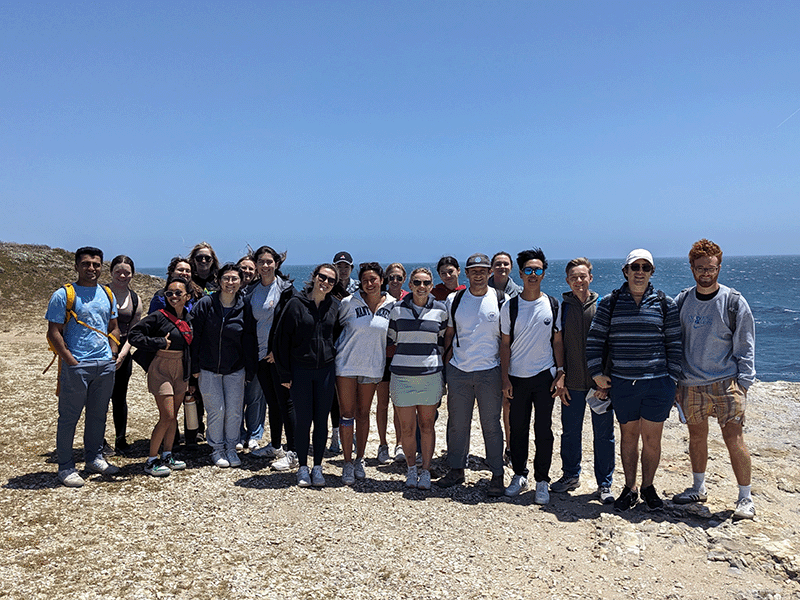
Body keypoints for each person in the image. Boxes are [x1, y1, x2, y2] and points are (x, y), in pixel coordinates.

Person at [586, 249, 682, 512]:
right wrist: (596, 374)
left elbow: (675, 344)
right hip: (623, 384)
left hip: (657, 383)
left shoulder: (665, 303)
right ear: (625, 271)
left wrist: (673, 380)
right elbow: (595, 340)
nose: (640, 272)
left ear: (652, 272)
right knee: (628, 438)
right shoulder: (610, 303)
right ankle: (630, 488)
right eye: (635, 267)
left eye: (645, 267)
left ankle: (648, 487)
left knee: (652, 440)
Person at [671, 239, 757, 520]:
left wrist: (743, 384)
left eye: (711, 268)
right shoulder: (682, 301)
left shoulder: (734, 302)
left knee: (734, 438)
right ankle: (698, 488)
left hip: (726, 382)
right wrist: (676, 381)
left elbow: (745, 344)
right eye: (700, 268)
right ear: (692, 268)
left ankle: (745, 498)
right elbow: (673, 341)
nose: (706, 273)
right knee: (696, 436)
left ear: (719, 267)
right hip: (691, 383)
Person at [46, 246, 121, 487]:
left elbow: (113, 326)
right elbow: (54, 331)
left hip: (104, 364)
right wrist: (70, 359)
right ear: (77, 266)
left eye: (96, 264)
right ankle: (66, 466)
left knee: (98, 415)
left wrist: (113, 353)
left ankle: (94, 458)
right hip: (77, 365)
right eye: (86, 264)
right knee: (69, 417)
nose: (91, 268)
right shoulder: (63, 295)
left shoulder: (107, 294)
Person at [436, 253, 507, 496]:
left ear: (490, 273)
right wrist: (446, 369)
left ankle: (497, 474)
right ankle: (456, 469)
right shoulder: (454, 299)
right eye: (473, 271)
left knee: (491, 425)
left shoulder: (502, 299)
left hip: (490, 370)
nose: (478, 275)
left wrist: (505, 375)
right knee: (457, 424)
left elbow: (506, 339)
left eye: (483, 270)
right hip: (459, 370)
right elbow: (449, 334)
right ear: (466, 273)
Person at [500, 248, 565, 504]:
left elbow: (557, 341)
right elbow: (505, 344)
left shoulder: (552, 305)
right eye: (528, 270)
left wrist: (560, 373)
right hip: (517, 377)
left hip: (544, 376)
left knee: (543, 430)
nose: (533, 274)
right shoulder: (510, 306)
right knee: (517, 429)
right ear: (520, 273)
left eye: (538, 270)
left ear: (544, 274)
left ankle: (542, 480)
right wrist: (505, 378)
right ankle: (519, 474)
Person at [550, 257, 615, 504]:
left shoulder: (603, 305)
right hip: (572, 384)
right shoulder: (561, 309)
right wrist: (561, 375)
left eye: (583, 276)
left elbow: (611, 344)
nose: (579, 281)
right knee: (570, 433)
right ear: (567, 281)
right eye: (574, 277)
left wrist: (605, 381)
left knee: (604, 435)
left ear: (590, 278)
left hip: (599, 385)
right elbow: (557, 344)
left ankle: (605, 484)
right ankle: (570, 475)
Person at [273, 264, 342, 487]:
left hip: (325, 371)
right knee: (303, 420)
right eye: (323, 277)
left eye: (331, 280)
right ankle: (302, 467)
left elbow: (338, 336)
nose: (326, 282)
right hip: (300, 370)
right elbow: (280, 340)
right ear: (314, 277)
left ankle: (318, 467)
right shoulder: (296, 304)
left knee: (321, 420)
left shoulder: (335, 306)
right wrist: (284, 373)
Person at [386, 267, 448, 490]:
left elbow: (442, 341)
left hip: (430, 377)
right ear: (410, 285)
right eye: (417, 282)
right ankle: (411, 469)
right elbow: (391, 339)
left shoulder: (441, 310)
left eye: (426, 283)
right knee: (407, 428)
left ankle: (426, 471)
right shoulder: (396, 310)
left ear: (431, 285)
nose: (422, 287)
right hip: (402, 378)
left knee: (427, 425)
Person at [190, 264, 257, 468]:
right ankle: (217, 449)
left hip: (236, 369)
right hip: (208, 368)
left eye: (235, 279)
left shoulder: (245, 306)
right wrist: (194, 367)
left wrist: (250, 369)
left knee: (234, 411)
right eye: (226, 278)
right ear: (219, 281)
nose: (230, 282)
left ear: (240, 282)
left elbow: (249, 339)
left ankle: (231, 447)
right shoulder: (205, 304)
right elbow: (194, 337)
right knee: (216, 410)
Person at [336, 262, 396, 484]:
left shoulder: (392, 304)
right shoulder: (348, 302)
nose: (369, 284)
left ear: (382, 280)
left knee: (363, 413)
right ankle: (347, 462)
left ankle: (359, 458)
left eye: (373, 279)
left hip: (372, 366)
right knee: (347, 413)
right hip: (346, 365)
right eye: (364, 280)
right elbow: (335, 327)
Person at [129, 275, 193, 477]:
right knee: (167, 416)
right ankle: (151, 460)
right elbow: (134, 335)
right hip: (161, 368)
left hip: (181, 369)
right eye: (169, 293)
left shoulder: (189, 319)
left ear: (187, 296)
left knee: (174, 417)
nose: (173, 296)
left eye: (178, 293)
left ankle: (167, 455)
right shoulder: (159, 316)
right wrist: (158, 342)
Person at [248, 246, 300, 472]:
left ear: (277, 264)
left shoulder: (286, 290)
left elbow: (293, 323)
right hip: (259, 356)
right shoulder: (251, 290)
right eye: (261, 262)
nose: (265, 265)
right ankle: (276, 446)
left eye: (269, 261)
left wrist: (277, 350)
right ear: (256, 265)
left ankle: (294, 452)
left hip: (279, 357)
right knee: (272, 402)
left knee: (287, 403)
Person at [488, 251, 522, 464]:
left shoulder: (519, 293)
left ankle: (510, 448)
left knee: (509, 405)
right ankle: (492, 451)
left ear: (511, 267)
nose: (502, 267)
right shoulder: (481, 290)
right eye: (498, 263)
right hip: (486, 355)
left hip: (511, 355)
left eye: (505, 264)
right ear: (492, 267)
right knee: (490, 408)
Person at [106, 255, 142, 454]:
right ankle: (98, 440)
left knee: (119, 397)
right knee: (99, 397)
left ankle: (120, 439)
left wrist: (122, 355)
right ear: (111, 272)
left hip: (123, 352)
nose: (122, 275)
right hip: (100, 350)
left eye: (126, 272)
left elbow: (134, 331)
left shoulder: (135, 299)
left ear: (132, 275)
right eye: (118, 271)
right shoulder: (101, 293)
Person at [379, 262, 406, 462]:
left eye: (399, 277)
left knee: (399, 404)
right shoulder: (380, 299)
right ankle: (382, 445)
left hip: (403, 357)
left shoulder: (409, 298)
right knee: (382, 404)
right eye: (391, 277)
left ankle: (400, 444)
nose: (395, 281)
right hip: (382, 357)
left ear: (404, 279)